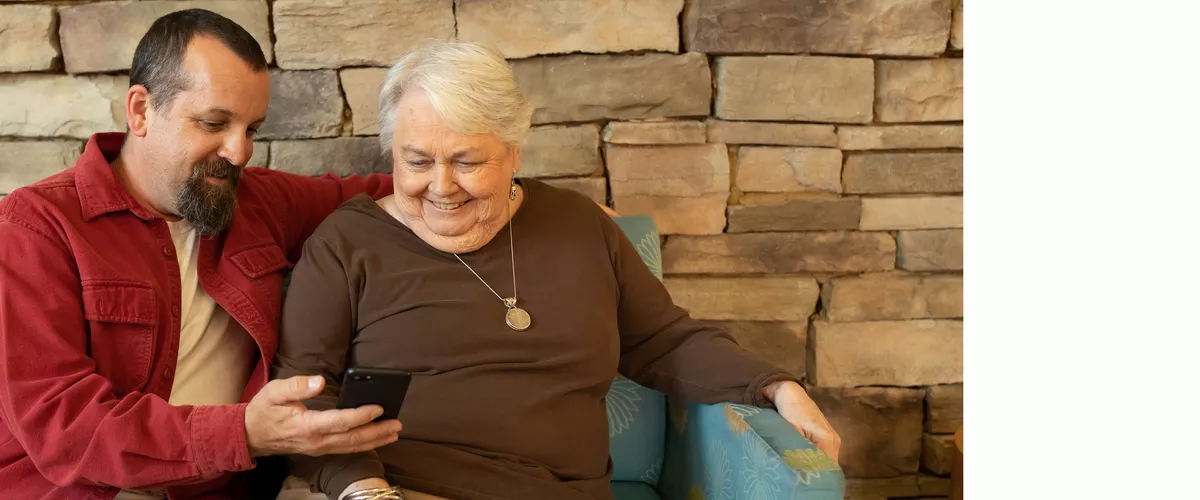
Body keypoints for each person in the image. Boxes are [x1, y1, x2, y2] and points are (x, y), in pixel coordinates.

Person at [272, 41, 842, 500]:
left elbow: (663, 340)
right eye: (416, 161)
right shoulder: (347, 243)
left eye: (468, 162)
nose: (441, 187)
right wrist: (365, 491)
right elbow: (302, 398)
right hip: (401, 488)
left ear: (515, 153)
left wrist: (777, 386)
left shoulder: (576, 225)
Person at [0, 9, 406, 499]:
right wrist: (243, 433)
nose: (240, 152)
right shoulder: (37, 226)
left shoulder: (258, 202)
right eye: (214, 123)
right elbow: (63, 429)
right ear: (141, 111)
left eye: (252, 129)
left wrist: (477, 178)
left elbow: (384, 192)